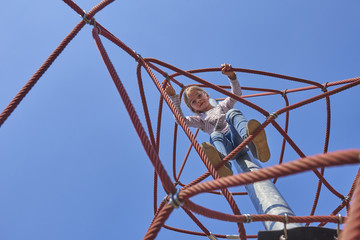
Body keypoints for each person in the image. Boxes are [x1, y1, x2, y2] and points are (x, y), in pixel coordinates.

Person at [165, 63, 270, 177]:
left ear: (206, 95)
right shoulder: (200, 120)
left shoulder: (222, 106)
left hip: (241, 140)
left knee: (232, 113)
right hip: (228, 150)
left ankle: (253, 141)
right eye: (193, 102)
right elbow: (181, 121)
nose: (198, 101)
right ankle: (224, 165)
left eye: (199, 96)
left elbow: (236, 93)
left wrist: (231, 76)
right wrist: (174, 98)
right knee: (215, 135)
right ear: (192, 108)